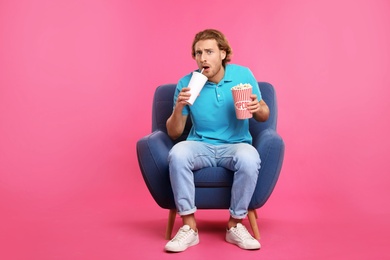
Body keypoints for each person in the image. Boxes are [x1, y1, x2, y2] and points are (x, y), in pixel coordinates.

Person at [164, 29, 270, 252]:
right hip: (200, 144)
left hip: (236, 145)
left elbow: (264, 115)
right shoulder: (187, 83)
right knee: (178, 153)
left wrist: (257, 106)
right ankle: (189, 228)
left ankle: (235, 225)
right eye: (198, 53)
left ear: (222, 53)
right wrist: (179, 107)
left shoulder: (243, 76)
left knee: (249, 158)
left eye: (209, 51)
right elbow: (174, 133)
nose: (202, 58)